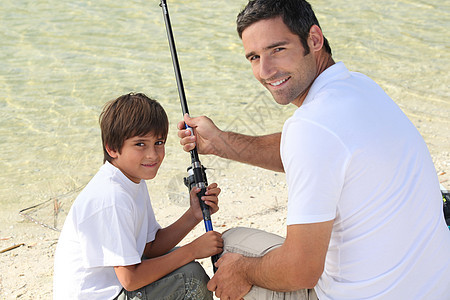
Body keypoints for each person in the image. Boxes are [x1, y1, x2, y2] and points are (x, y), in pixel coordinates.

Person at [177, 0, 450, 299]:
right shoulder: (360, 87)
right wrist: (220, 143)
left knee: (230, 249)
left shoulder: (311, 129)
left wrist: (242, 270)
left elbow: (301, 269)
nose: (265, 70)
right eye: (254, 57)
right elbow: (313, 149)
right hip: (434, 287)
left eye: (277, 49)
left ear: (314, 39)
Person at [53, 93, 223, 299]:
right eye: (140, 144)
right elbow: (130, 279)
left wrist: (193, 215)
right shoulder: (112, 197)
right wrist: (193, 250)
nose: (153, 154)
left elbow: (150, 248)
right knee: (191, 277)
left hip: (119, 286)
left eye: (159, 142)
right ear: (112, 148)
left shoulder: (130, 180)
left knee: (178, 259)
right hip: (107, 294)